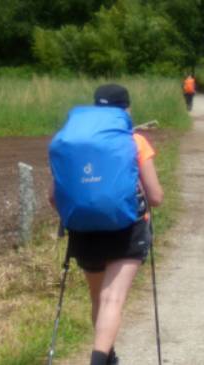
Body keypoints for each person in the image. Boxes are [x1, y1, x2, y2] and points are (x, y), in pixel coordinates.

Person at [48, 84, 164, 365]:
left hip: (84, 232)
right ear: (127, 109)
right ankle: (100, 360)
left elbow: (53, 198)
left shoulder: (74, 142)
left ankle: (108, 358)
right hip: (127, 229)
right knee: (113, 298)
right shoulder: (134, 141)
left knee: (98, 297)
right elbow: (156, 197)